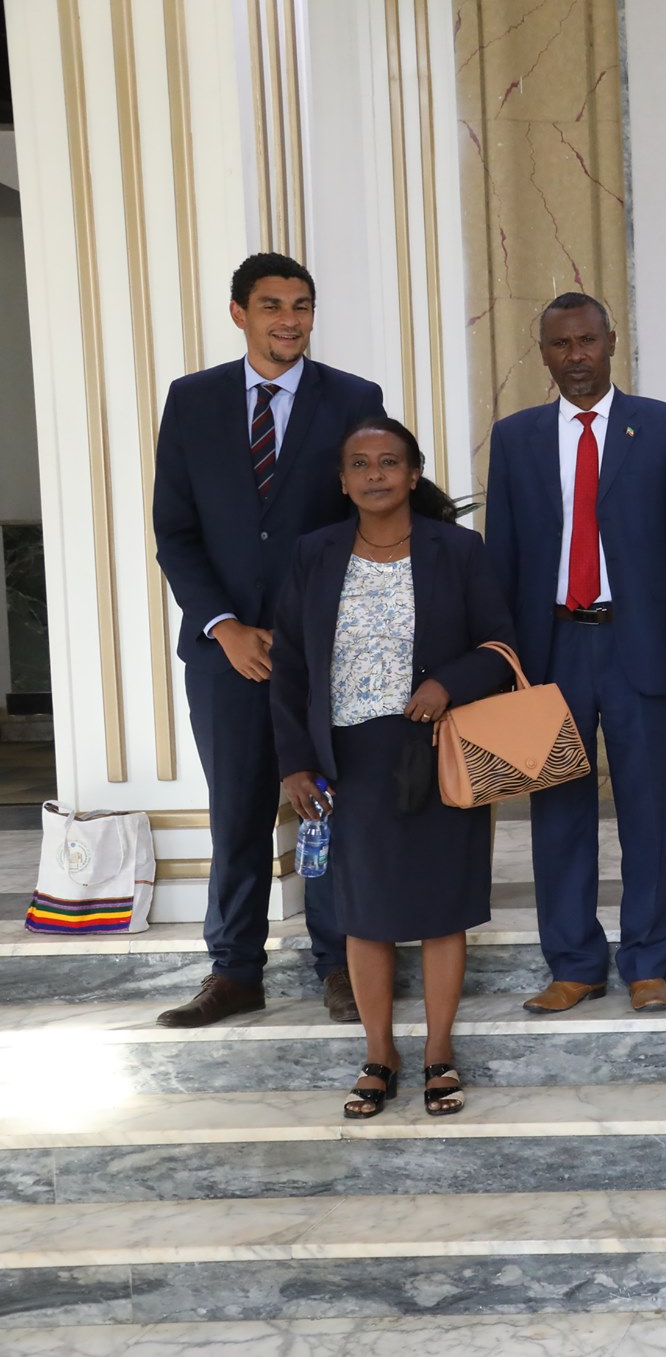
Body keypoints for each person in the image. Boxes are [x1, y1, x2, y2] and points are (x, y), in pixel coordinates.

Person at [151, 253, 385, 1029]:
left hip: (326, 650)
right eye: (272, 305)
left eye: (302, 305)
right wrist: (224, 626)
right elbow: (176, 531)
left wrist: (312, 627)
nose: (290, 319)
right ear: (239, 313)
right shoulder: (191, 401)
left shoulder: (353, 399)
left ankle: (342, 964)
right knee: (238, 812)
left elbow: (369, 517)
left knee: (330, 807)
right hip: (226, 655)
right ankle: (234, 972)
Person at [271, 419, 514, 1117]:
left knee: (443, 910)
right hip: (348, 761)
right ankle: (379, 1054)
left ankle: (439, 1053)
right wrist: (296, 763)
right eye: (360, 463)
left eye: (388, 462)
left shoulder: (457, 550)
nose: (374, 474)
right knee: (363, 915)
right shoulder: (314, 554)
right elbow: (290, 667)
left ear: (413, 474)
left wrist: (448, 684)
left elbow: (501, 644)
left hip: (438, 751)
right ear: (343, 480)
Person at [484, 293, 666, 1015]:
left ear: (612, 342)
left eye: (587, 340)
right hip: (550, 648)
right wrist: (503, 660)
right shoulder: (516, 438)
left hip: (639, 643)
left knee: (647, 808)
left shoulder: (663, 427)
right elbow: (502, 555)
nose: (576, 355)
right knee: (557, 813)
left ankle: (647, 961)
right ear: (543, 353)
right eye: (561, 344)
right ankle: (574, 963)